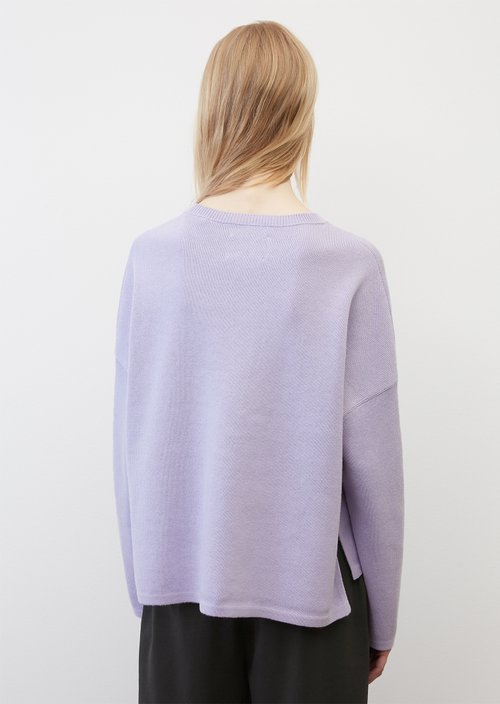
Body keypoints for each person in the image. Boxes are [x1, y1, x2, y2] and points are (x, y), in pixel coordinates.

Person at [113, 20, 404, 704]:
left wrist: (147, 586)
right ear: (301, 114)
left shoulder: (152, 260)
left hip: (179, 586)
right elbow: (375, 467)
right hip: (313, 595)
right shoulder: (349, 263)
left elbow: (132, 446)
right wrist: (384, 616)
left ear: (211, 109)